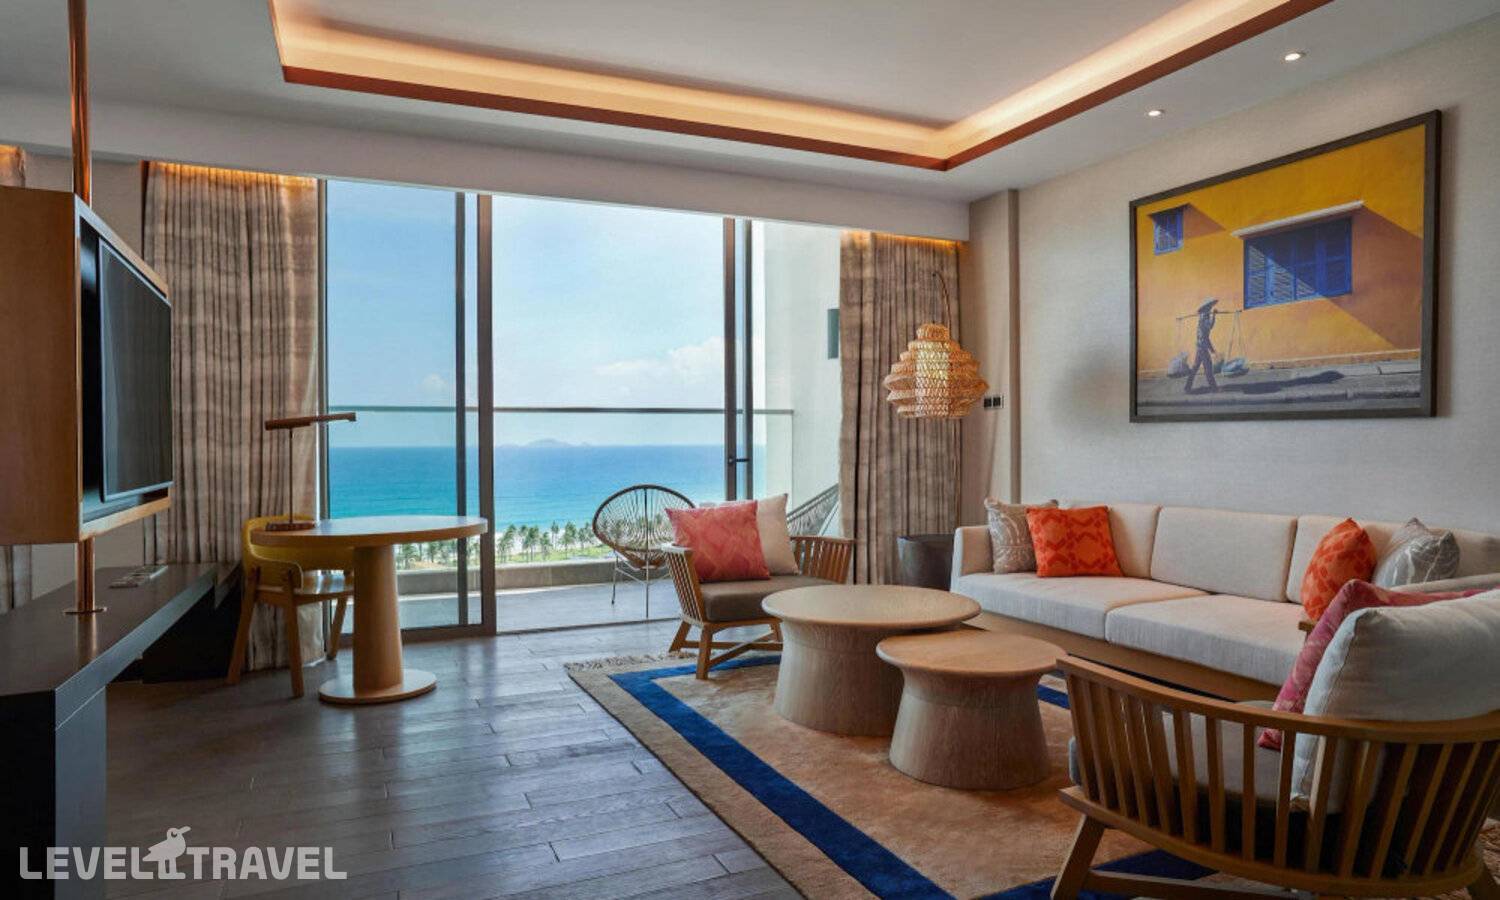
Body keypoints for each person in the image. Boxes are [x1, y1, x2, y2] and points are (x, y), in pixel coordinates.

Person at [1184, 297, 1219, 394]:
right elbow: (1210, 326)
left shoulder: (1204, 316)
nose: (1210, 308)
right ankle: (1214, 388)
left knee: (1195, 367)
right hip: (1202, 346)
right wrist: (1214, 315)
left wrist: (1212, 350)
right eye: (1209, 307)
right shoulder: (1204, 318)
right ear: (1205, 308)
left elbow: (1206, 336)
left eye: (1210, 307)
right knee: (1208, 366)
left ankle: (1187, 386)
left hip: (1201, 345)